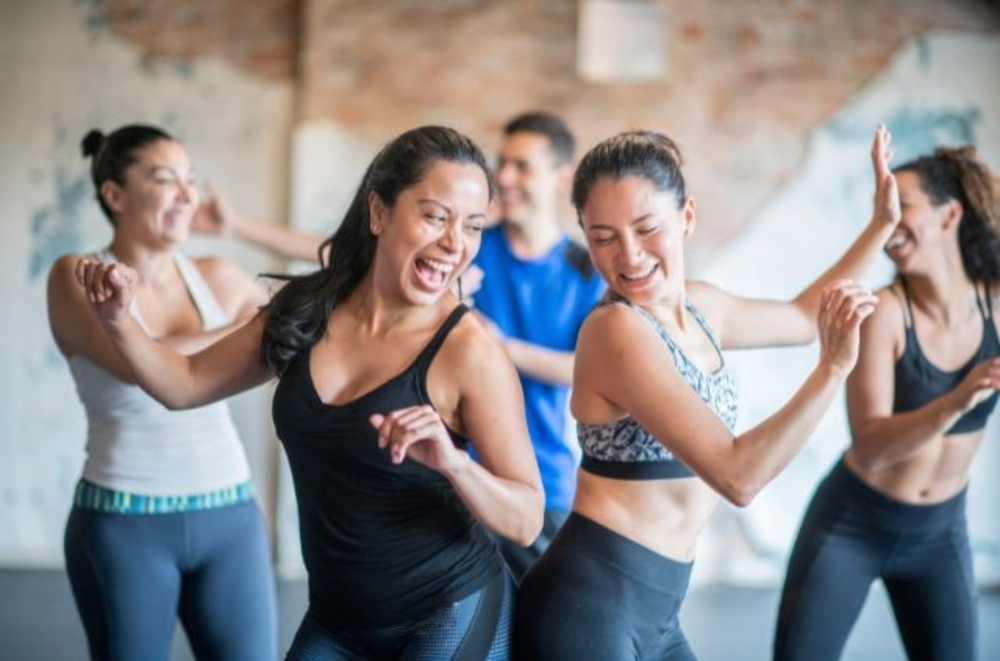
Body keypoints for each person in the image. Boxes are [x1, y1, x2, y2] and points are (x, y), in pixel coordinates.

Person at [76, 125, 544, 660]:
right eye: (435, 216)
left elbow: (526, 518)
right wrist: (118, 320)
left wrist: (456, 467)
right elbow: (182, 384)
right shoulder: (304, 311)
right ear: (379, 212)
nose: (455, 244)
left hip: (447, 608)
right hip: (338, 622)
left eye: (473, 226)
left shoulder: (469, 351)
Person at [515, 125, 900, 661]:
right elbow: (737, 476)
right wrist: (831, 371)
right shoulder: (616, 331)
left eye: (647, 228)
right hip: (589, 607)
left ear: (687, 217)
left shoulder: (702, 307)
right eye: (603, 237)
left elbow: (802, 315)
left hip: (659, 610)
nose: (629, 255)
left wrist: (880, 225)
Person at [46, 124, 277, 661]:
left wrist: (242, 236)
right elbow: (143, 363)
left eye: (190, 180)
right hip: (124, 522)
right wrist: (258, 324)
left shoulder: (219, 276)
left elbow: (335, 273)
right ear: (115, 195)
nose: (186, 194)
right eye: (165, 179)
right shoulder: (76, 277)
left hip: (231, 517)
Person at [773, 145, 1000, 661]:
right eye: (882, 205)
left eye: (904, 203)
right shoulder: (884, 315)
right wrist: (955, 403)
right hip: (854, 525)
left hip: (941, 533)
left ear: (951, 214)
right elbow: (872, 446)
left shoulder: (996, 307)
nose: (891, 220)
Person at [472, 112, 605, 578]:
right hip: (455, 476)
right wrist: (242, 228)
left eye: (522, 166)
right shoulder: (467, 243)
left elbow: (590, 371)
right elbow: (368, 250)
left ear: (561, 177)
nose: (504, 178)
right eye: (501, 163)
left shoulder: (589, 270)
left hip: (543, 482)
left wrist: (496, 346)